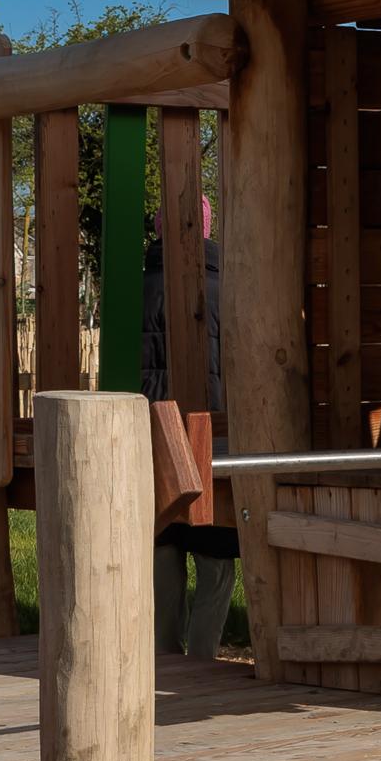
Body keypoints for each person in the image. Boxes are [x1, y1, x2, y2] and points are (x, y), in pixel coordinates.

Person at [136, 203, 235, 657]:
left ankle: (162, 652)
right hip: (216, 433)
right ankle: (203, 654)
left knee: (163, 544)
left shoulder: (136, 288)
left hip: (153, 433)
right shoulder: (227, 290)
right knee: (215, 555)